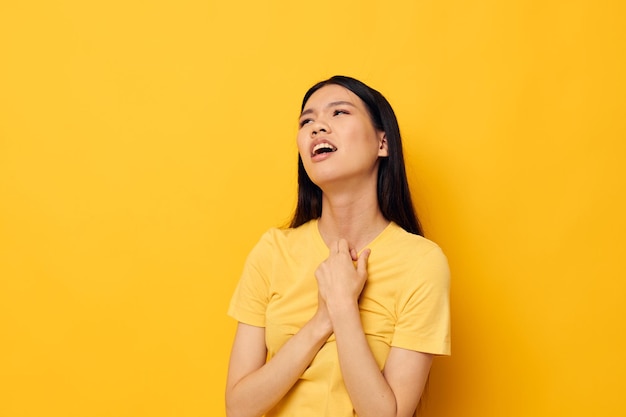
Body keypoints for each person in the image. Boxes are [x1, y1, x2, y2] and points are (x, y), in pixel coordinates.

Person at [225, 75, 450, 417]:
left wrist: (344, 307)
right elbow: (238, 409)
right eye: (307, 121)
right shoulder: (272, 251)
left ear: (382, 143)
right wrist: (321, 320)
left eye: (339, 113)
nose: (317, 128)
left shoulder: (421, 262)